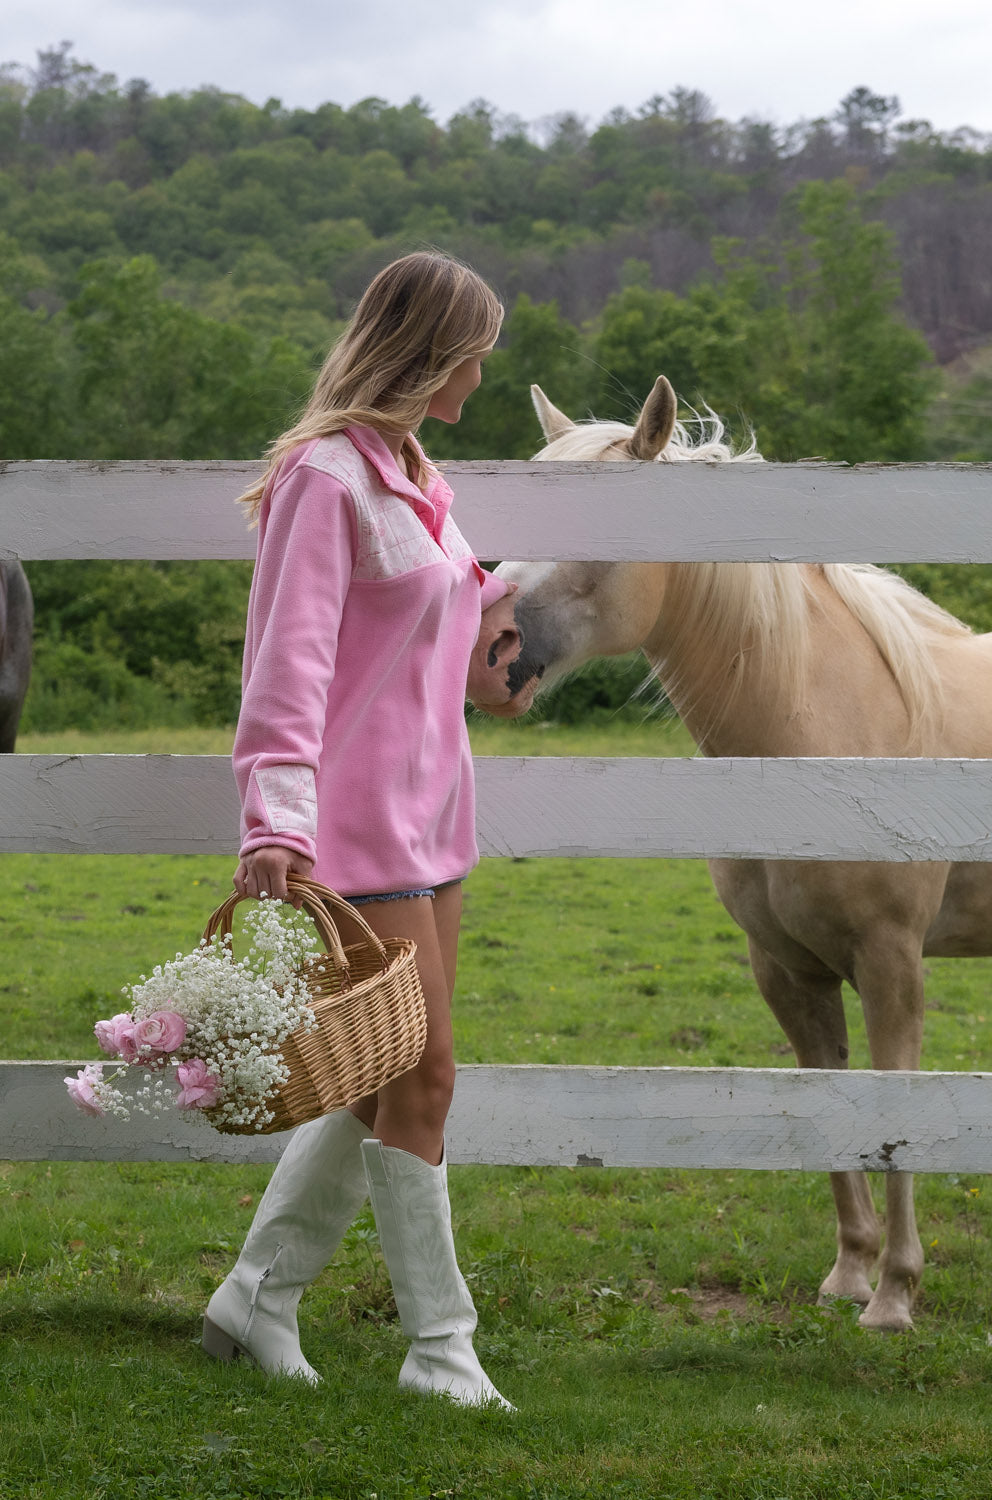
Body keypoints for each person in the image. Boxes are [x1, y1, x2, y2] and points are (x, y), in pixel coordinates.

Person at [201, 251, 520, 1409]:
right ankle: (442, 1353)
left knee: (374, 1071)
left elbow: (461, 595)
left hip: (434, 816)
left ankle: (255, 1299)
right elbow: (286, 661)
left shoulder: (413, 469)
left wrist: (505, 638)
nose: (485, 371)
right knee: (422, 1073)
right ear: (432, 352)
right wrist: (274, 817)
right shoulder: (324, 478)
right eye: (477, 348)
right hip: (353, 821)